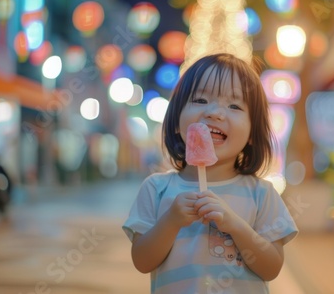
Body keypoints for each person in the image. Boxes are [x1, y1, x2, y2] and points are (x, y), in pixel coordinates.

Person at [123, 53, 298, 293]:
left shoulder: (261, 193)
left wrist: (234, 225)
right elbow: (142, 261)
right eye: (201, 100)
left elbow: (272, 267)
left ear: (252, 133)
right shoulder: (156, 189)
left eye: (234, 105)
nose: (215, 113)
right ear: (176, 120)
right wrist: (171, 221)